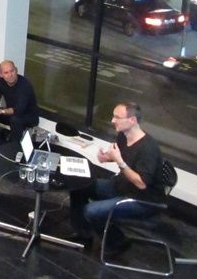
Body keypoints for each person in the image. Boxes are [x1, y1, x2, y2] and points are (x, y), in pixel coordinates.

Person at [69, 102, 166, 250]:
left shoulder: (148, 148)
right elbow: (122, 157)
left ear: (132, 120)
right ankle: (83, 233)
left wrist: (119, 161)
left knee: (91, 211)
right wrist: (106, 157)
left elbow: (141, 183)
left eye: (117, 117)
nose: (112, 120)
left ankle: (117, 243)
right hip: (121, 186)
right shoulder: (123, 135)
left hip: (142, 200)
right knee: (78, 186)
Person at [0, 59, 39, 146]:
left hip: (29, 116)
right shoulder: (0, 81)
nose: (10, 75)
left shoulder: (25, 84)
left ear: (16, 70)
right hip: (12, 114)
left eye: (12, 71)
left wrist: (1, 111)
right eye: (6, 73)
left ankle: (13, 148)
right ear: (1, 74)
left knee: (15, 119)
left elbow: (19, 110)